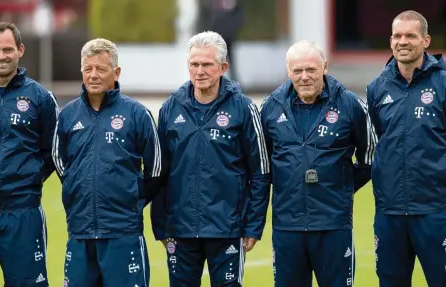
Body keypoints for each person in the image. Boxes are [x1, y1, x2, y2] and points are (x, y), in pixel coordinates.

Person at [150, 31, 270, 287]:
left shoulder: (243, 108)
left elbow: (260, 172)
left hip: (227, 227)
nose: (200, 71)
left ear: (223, 68)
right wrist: (161, 226)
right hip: (180, 230)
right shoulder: (171, 108)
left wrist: (253, 226)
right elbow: (158, 172)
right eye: (194, 64)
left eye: (207, 64)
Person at [260, 40, 376, 287]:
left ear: (325, 67)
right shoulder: (270, 107)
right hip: (287, 226)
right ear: (288, 71)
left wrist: (339, 186)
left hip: (333, 225)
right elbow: (262, 163)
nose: (304, 77)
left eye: (311, 69)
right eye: (297, 70)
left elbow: (370, 157)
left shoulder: (350, 104)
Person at [51, 38, 161, 287]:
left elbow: (156, 169)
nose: (93, 75)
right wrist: (76, 187)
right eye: (88, 69)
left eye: (101, 69)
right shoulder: (68, 114)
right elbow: (59, 160)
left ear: (116, 72)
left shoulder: (137, 114)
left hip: (123, 232)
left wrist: (132, 196)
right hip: (80, 230)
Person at [0, 22, 58, 286]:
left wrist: (26, 177)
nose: (1, 56)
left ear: (20, 49)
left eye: (8, 49)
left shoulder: (40, 97)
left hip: (23, 215)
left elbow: (53, 151)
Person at [366, 10, 446, 287]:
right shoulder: (377, 88)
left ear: (425, 40)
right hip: (390, 212)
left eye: (411, 35)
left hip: (436, 210)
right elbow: (376, 142)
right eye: (397, 36)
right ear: (390, 41)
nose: (403, 41)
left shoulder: (444, 83)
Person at [198, 0, 244, 81]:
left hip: (228, 38)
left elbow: (239, 18)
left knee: (230, 64)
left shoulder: (232, 5)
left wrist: (231, 30)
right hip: (214, 39)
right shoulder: (210, 4)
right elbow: (204, 19)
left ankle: (234, 83)